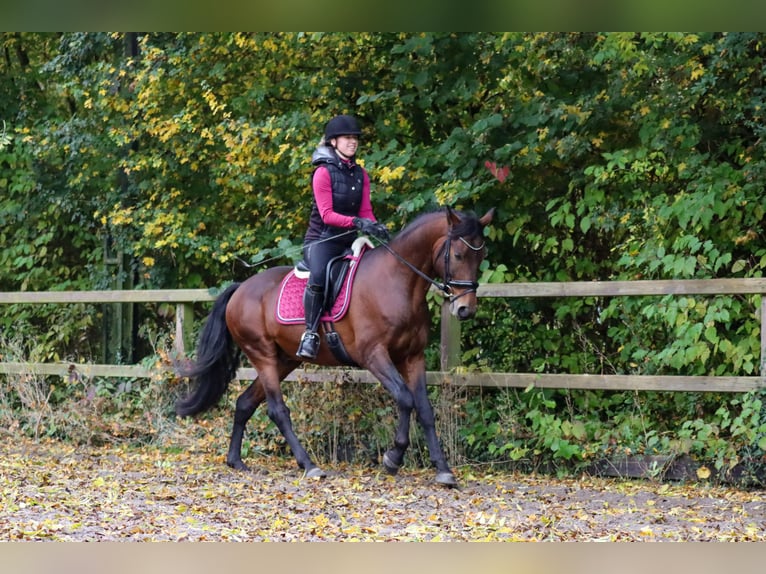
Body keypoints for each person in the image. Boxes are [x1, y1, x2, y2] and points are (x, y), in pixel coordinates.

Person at [296, 114, 390, 360]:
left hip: (350, 240)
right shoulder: (323, 173)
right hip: (322, 240)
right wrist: (357, 223)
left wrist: (375, 226)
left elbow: (365, 211)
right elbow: (327, 215)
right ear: (333, 142)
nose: (353, 142)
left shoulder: (361, 174)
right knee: (318, 275)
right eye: (347, 138)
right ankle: (310, 334)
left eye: (355, 138)